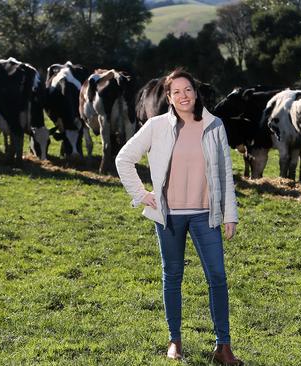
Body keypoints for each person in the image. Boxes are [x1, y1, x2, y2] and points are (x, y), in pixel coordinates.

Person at [115, 69, 242, 365]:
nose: (183, 96)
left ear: (195, 93)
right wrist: (141, 194)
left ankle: (223, 347)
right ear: (169, 97)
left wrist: (230, 214)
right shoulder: (156, 125)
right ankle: (175, 341)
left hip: (204, 215)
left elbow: (225, 173)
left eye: (188, 90)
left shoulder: (214, 125)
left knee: (218, 277)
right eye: (176, 92)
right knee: (173, 276)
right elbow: (124, 158)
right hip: (169, 216)